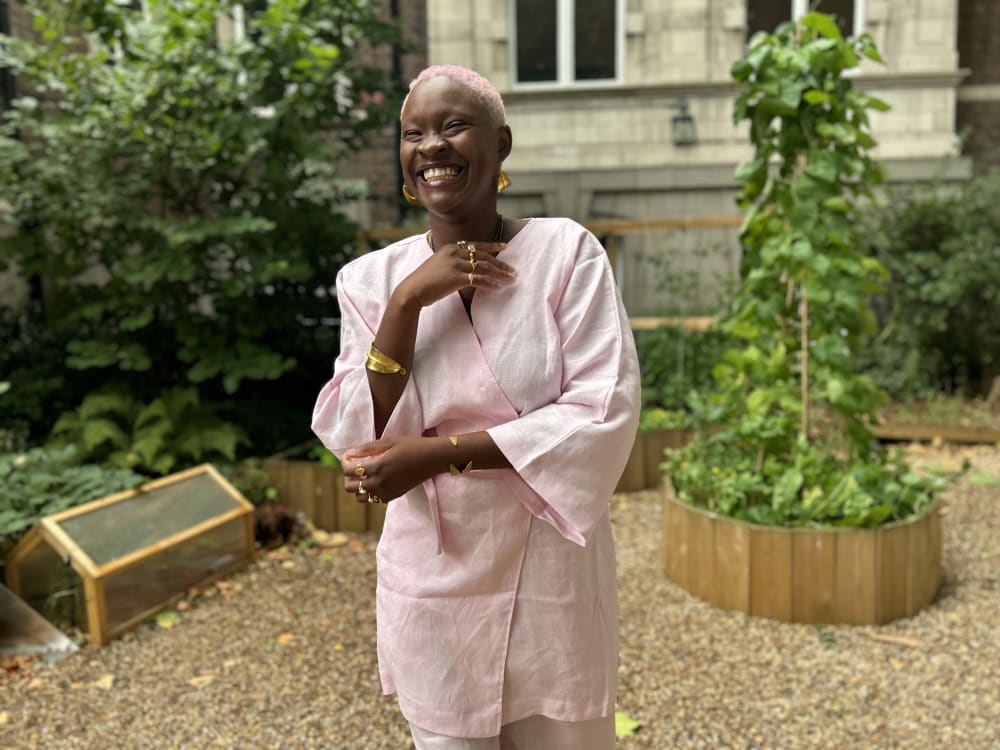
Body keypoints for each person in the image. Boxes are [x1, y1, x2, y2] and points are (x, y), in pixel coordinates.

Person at [311, 64, 640, 750]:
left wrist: (436, 454)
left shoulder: (565, 254)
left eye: (453, 125)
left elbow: (600, 408)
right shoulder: (369, 281)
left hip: (547, 569)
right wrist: (407, 302)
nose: (430, 144)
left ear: (502, 143)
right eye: (413, 133)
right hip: (432, 573)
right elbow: (358, 427)